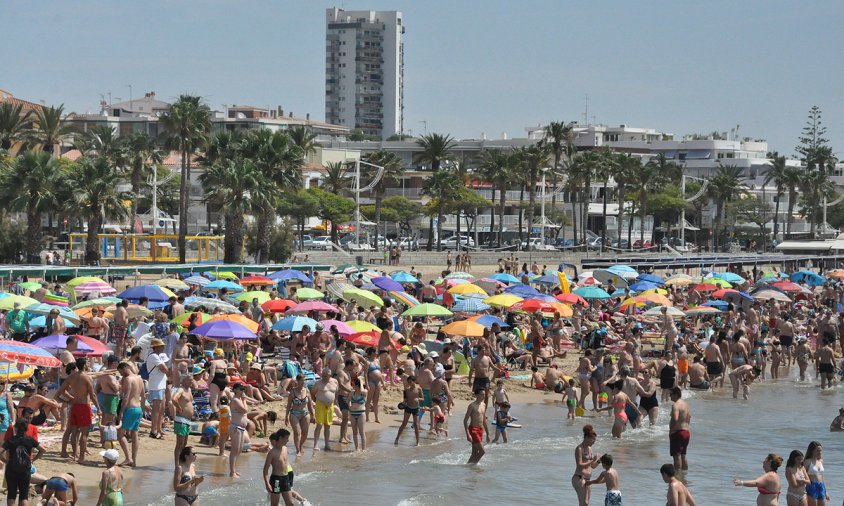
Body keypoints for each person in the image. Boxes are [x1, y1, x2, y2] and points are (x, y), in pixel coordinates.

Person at [56, 357, 100, 464]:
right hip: (84, 407)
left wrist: (68, 401)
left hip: (74, 407)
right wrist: (99, 408)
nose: (88, 364)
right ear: (84, 365)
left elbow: (59, 393)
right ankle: (81, 458)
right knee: (84, 433)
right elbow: (93, 395)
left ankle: (75, 454)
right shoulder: (87, 378)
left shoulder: (71, 377)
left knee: (74, 432)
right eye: (87, 363)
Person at [1, 420, 44, 506]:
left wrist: (6, 461)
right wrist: (33, 459)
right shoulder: (30, 440)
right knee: (24, 496)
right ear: (26, 429)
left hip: (11, 469)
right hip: (25, 469)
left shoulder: (10, 440)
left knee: (11, 495)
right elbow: (43, 450)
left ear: (15, 428)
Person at [117, 361, 144, 467]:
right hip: (138, 408)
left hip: (130, 408)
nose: (121, 375)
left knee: (120, 434)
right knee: (134, 434)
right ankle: (134, 460)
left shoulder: (128, 379)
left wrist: (121, 412)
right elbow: (143, 394)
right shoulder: (139, 378)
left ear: (124, 369)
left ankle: (128, 458)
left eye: (121, 372)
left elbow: (126, 397)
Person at [145, 338, 170, 439]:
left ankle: (159, 429)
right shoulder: (153, 356)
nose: (163, 347)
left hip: (160, 385)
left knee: (161, 409)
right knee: (156, 409)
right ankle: (153, 430)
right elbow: (164, 369)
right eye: (161, 346)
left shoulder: (158, 356)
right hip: (156, 385)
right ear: (156, 347)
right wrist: (166, 368)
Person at [284, 374, 314, 457]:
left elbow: (310, 405)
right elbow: (289, 405)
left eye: (304, 380)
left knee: (305, 433)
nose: (303, 382)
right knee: (297, 432)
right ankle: (298, 450)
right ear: (297, 381)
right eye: (301, 380)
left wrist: (313, 415)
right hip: (294, 414)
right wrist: (286, 416)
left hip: (305, 413)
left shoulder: (307, 391)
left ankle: (300, 445)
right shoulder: (292, 391)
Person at [264, 428, 294, 506]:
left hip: (285, 478)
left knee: (290, 503)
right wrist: (267, 484)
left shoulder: (285, 449)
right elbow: (265, 470)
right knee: (275, 504)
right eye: (286, 438)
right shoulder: (272, 452)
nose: (288, 440)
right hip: (276, 481)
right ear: (280, 438)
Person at [310, 367, 338, 452]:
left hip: (330, 406)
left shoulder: (335, 382)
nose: (324, 377)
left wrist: (335, 402)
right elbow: (312, 393)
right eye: (323, 375)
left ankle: (327, 444)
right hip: (320, 405)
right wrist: (314, 403)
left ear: (330, 375)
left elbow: (336, 393)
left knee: (328, 425)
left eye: (326, 376)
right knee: (319, 425)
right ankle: (316, 444)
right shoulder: (318, 383)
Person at [572, 424, 599, 506]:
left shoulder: (590, 449)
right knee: (584, 503)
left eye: (595, 440)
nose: (594, 442)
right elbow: (579, 465)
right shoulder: (579, 448)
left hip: (588, 480)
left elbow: (593, 466)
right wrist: (592, 461)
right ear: (587, 437)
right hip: (579, 478)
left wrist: (599, 461)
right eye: (593, 440)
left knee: (586, 504)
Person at [171, 373, 195, 467]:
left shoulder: (189, 389)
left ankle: (182, 461)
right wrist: (178, 407)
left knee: (184, 442)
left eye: (192, 379)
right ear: (183, 380)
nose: (191, 381)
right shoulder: (181, 389)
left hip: (187, 420)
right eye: (189, 379)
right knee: (180, 443)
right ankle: (177, 464)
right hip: (181, 419)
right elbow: (174, 399)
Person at [394, 375, 423, 446]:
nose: (409, 383)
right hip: (408, 407)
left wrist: (418, 399)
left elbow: (422, 398)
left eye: (410, 382)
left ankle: (417, 442)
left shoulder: (419, 389)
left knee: (416, 425)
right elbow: (405, 400)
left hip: (416, 408)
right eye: (408, 382)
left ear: (414, 381)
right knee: (404, 423)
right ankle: (397, 438)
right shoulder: (406, 390)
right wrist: (403, 403)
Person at [464, 388, 489, 464]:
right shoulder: (472, 405)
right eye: (481, 394)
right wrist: (468, 434)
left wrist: (487, 434)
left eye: (484, 394)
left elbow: (484, 420)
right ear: (476, 395)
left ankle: (468, 467)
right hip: (473, 430)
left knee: (474, 453)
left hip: (480, 430)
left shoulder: (484, 405)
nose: (483, 396)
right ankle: (473, 466)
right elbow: (465, 421)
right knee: (482, 451)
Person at [668, 387, 691, 471]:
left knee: (676, 455)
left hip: (677, 432)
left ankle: (678, 476)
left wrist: (671, 430)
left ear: (676, 395)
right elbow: (689, 417)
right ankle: (684, 476)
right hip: (686, 432)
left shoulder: (675, 405)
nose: (670, 396)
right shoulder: (685, 404)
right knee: (683, 454)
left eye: (671, 394)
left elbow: (675, 418)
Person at [804, 441, 828, 506]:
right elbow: (802, 476)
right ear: (812, 451)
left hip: (821, 486)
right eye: (818, 450)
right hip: (812, 486)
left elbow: (822, 477)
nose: (820, 452)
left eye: (821, 450)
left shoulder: (821, 461)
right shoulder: (807, 461)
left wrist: (826, 492)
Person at [349, 378, 368, 451]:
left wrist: (360, 381)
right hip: (352, 413)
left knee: (361, 432)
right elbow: (348, 400)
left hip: (361, 413)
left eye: (353, 385)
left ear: (358, 385)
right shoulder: (352, 392)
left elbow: (362, 390)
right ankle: (356, 448)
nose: (352, 386)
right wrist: (349, 406)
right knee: (354, 432)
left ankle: (363, 449)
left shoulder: (364, 392)